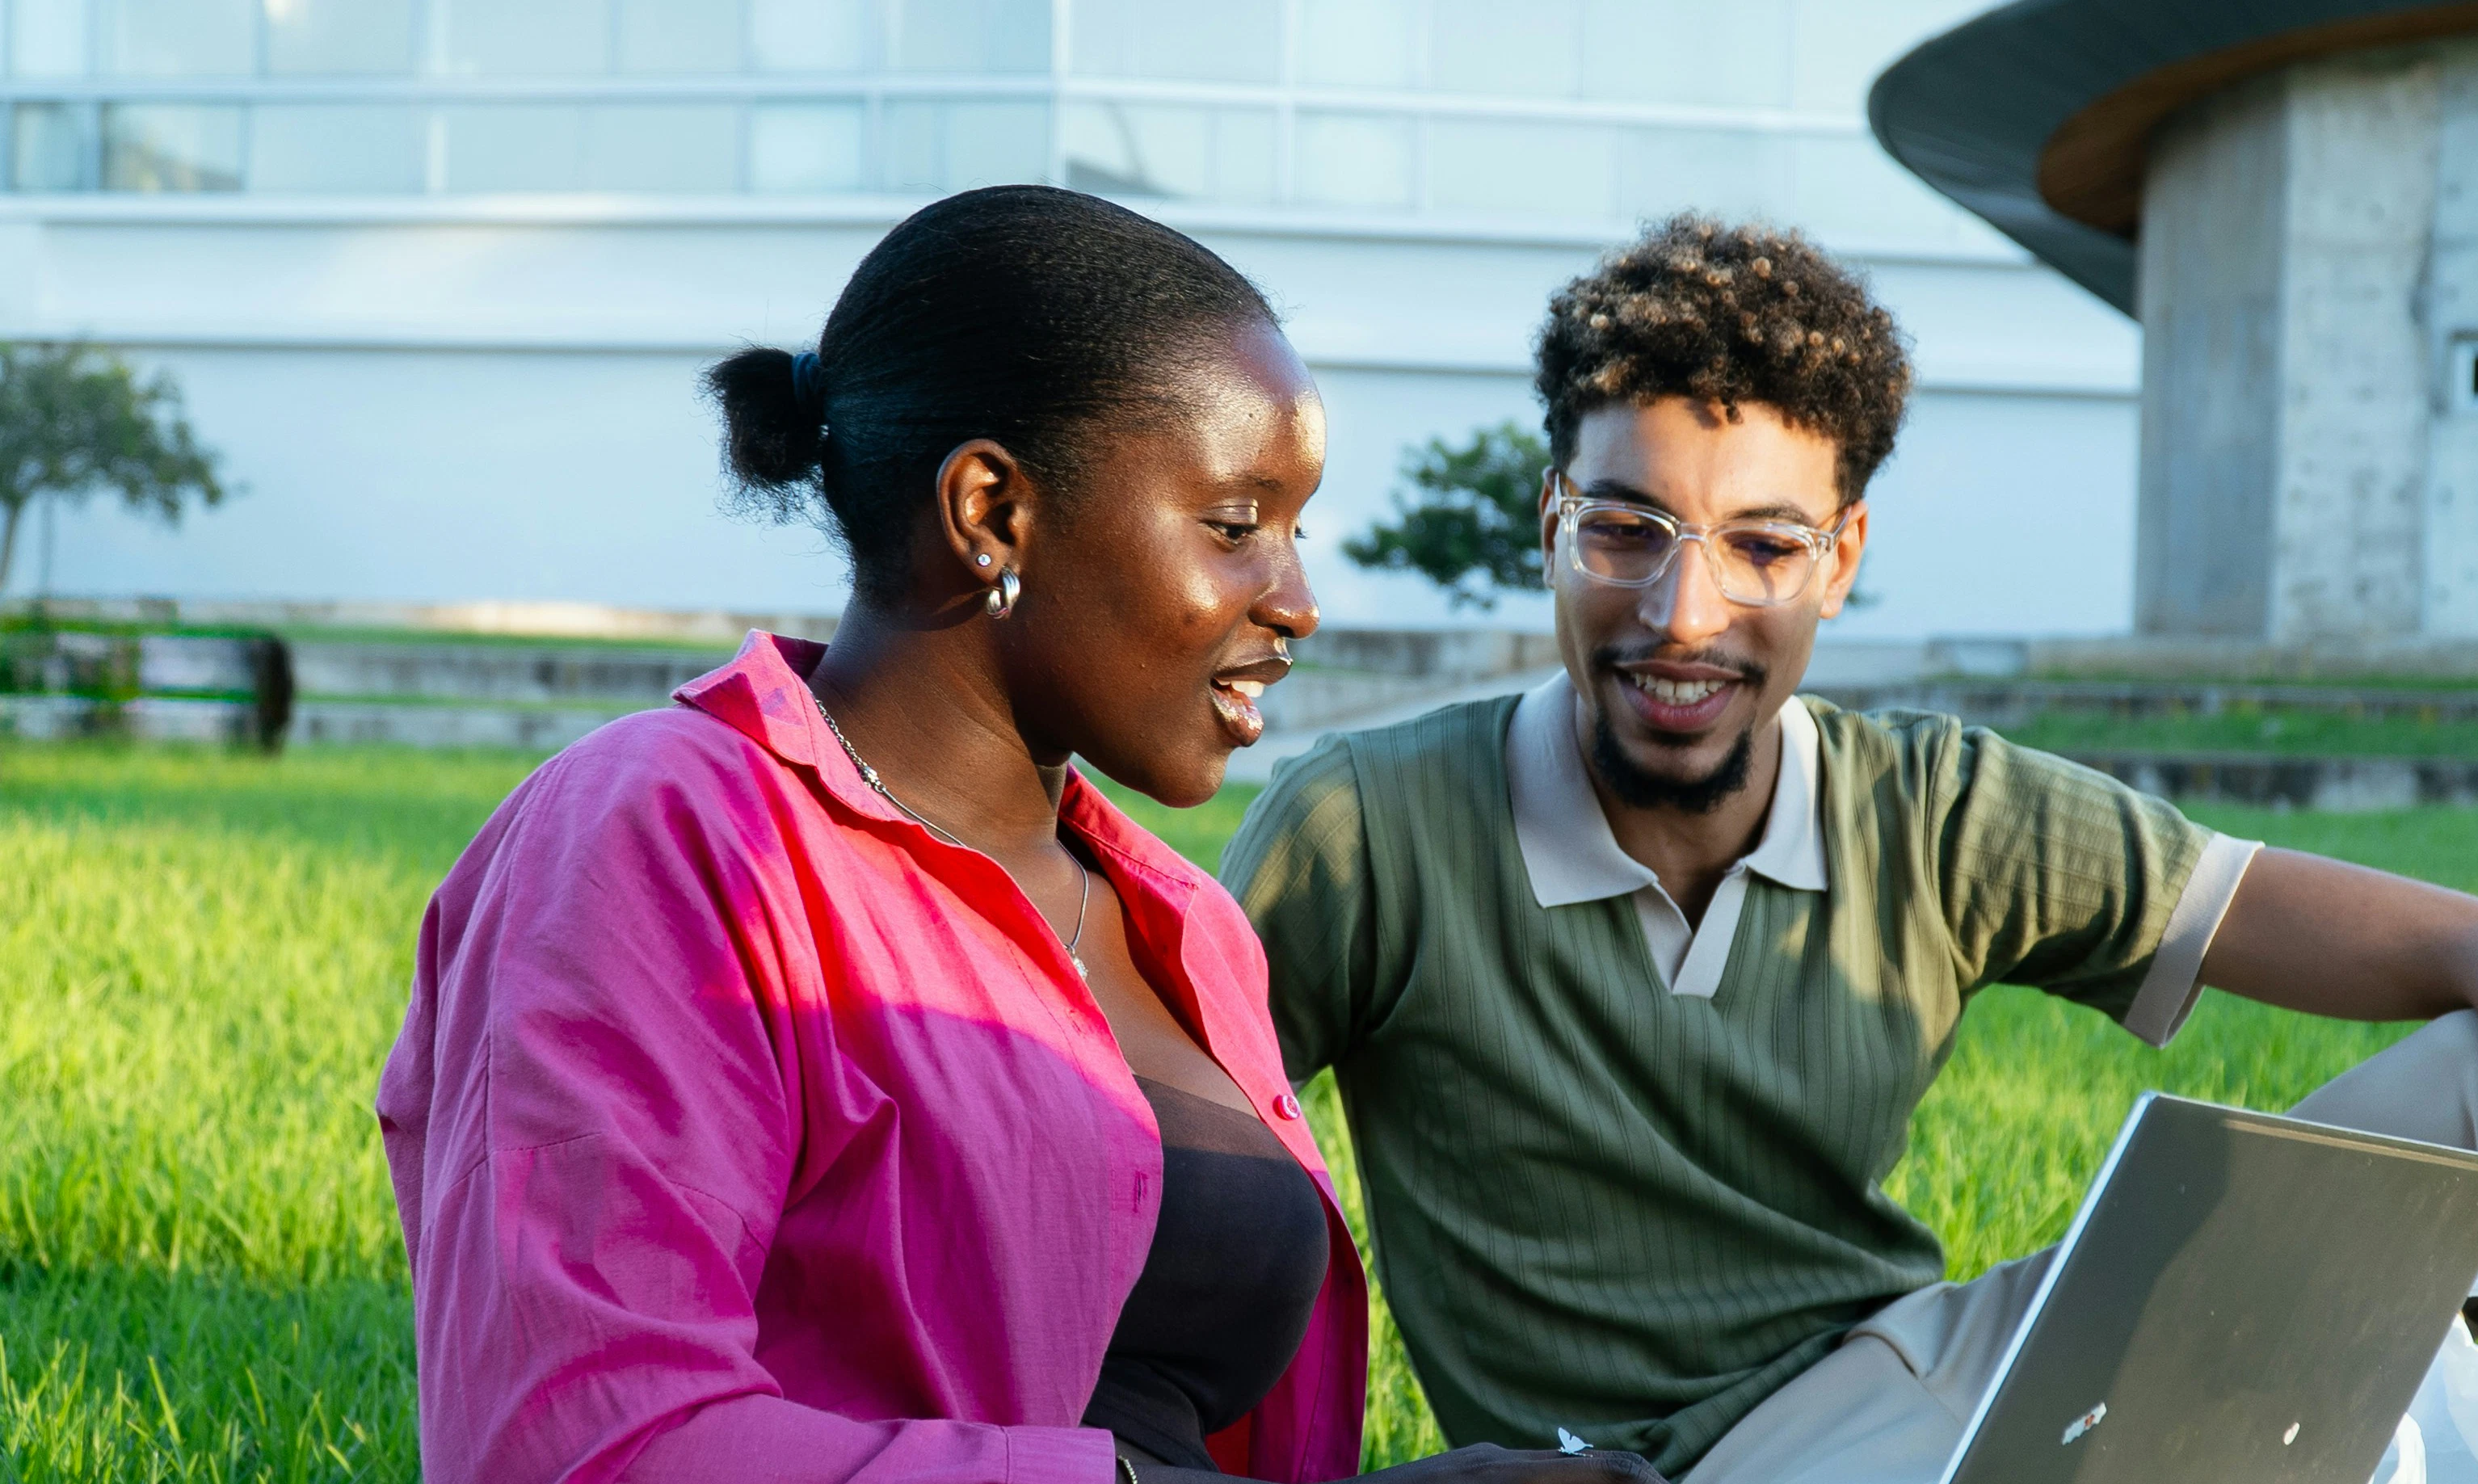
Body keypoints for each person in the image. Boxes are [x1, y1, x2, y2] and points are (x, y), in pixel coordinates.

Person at [1221, 217, 2478, 1484]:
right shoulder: (1367, 830)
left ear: (1839, 561)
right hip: (1664, 1472)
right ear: (1551, 522)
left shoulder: (1935, 809)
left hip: (1961, 1376)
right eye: (1624, 529)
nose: (1682, 613)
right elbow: (1162, 1201)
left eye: (1761, 547)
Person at [377, 186, 1659, 1484]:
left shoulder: (1188, 928)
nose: (1297, 601)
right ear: (990, 510)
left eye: (1294, 531)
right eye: (1234, 527)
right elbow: (579, 1442)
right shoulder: (670, 833)